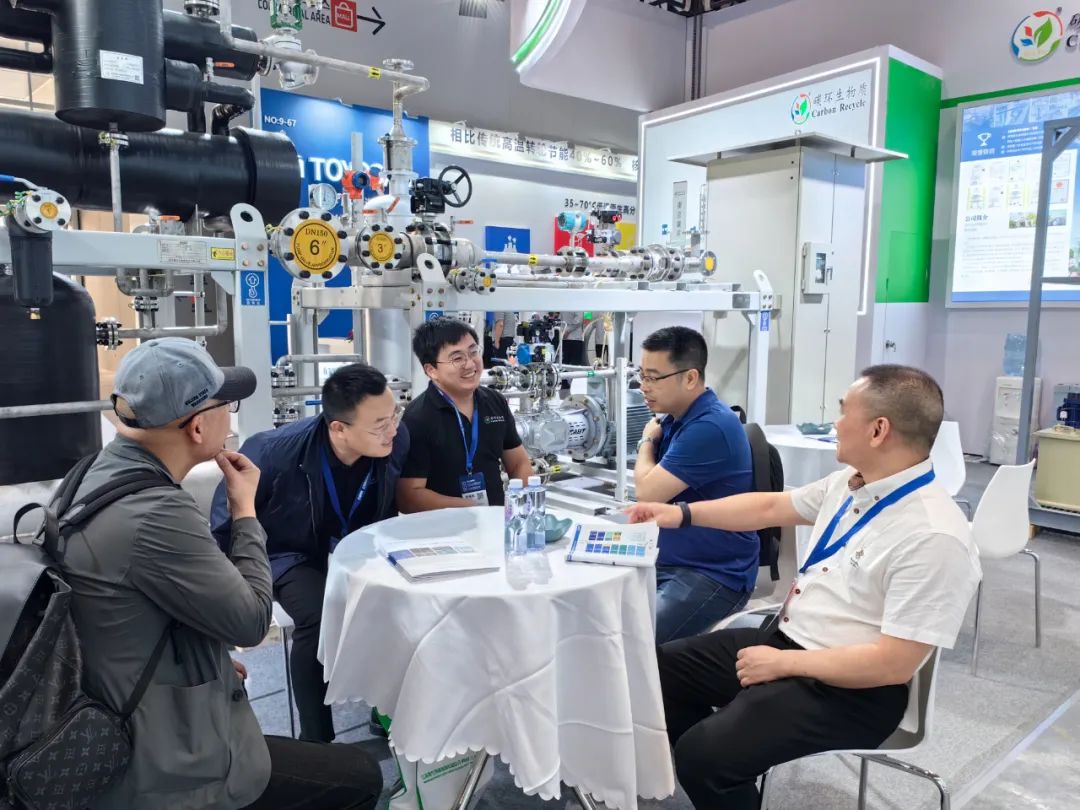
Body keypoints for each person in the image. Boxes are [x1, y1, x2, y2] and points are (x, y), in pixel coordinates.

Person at [628, 365, 981, 810]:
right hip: (787, 641)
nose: (835, 423)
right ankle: (722, 768)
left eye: (844, 412)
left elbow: (893, 665)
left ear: (878, 430)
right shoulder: (853, 483)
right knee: (657, 673)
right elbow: (770, 507)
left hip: (855, 691)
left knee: (705, 756)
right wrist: (681, 514)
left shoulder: (933, 535)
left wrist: (785, 665)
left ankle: (715, 761)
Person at [57, 338, 382, 810]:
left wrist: (209, 657)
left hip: (109, 703)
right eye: (225, 404)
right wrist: (245, 509)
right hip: (152, 755)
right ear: (197, 426)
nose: (230, 416)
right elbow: (251, 621)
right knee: (359, 778)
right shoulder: (156, 513)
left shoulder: (94, 473)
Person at [212, 363, 408, 744]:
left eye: (394, 415)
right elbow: (223, 527)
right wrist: (229, 606)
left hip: (357, 545)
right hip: (286, 551)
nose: (393, 430)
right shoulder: (272, 453)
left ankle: (384, 710)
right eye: (380, 424)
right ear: (338, 428)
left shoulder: (395, 441)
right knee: (318, 616)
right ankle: (317, 742)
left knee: (400, 599)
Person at [634, 326, 758, 643]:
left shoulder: (710, 426)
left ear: (690, 378)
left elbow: (647, 492)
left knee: (633, 640)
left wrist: (646, 441)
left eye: (653, 378)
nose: (643, 386)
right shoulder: (675, 419)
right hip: (666, 562)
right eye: (641, 375)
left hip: (712, 575)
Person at [397, 317, 533, 512]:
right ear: (432, 370)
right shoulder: (418, 418)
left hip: (495, 520)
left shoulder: (494, 401)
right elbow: (409, 495)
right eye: (457, 358)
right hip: (446, 527)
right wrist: (470, 510)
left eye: (473, 352)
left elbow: (518, 462)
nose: (470, 364)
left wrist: (521, 503)